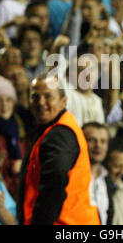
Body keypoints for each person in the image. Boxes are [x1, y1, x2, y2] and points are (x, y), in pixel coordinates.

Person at [17, 74, 100, 225]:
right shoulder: (52, 129)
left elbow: (54, 182)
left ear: (63, 102)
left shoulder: (60, 134)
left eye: (48, 96)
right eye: (35, 97)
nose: (41, 103)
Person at [83, 122, 116, 225]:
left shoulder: (107, 179)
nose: (98, 145)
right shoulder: (73, 176)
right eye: (92, 140)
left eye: (103, 141)